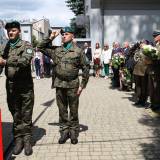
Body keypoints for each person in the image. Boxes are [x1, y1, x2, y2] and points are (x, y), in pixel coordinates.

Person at [38, 27, 90, 144]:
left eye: (66, 34)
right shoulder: (56, 50)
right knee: (62, 110)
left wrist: (82, 85)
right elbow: (41, 47)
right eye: (62, 34)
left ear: (72, 36)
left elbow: (86, 67)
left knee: (73, 110)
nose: (63, 36)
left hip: (73, 85)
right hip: (60, 84)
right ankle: (64, 131)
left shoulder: (78, 51)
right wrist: (51, 37)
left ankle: (73, 131)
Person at [0, 21, 34, 156]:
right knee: (15, 114)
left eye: (13, 30)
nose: (10, 32)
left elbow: (25, 61)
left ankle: (27, 141)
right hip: (11, 86)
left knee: (26, 114)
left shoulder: (27, 45)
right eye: (9, 31)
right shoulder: (4, 47)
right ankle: (18, 140)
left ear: (19, 31)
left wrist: (6, 61)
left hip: (25, 87)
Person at [133, 41, 149, 106]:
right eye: (140, 43)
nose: (141, 44)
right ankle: (139, 100)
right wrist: (136, 58)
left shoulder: (148, 51)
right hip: (137, 70)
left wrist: (141, 57)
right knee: (138, 86)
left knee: (144, 86)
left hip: (144, 71)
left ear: (145, 44)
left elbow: (148, 60)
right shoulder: (138, 50)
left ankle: (143, 101)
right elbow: (135, 58)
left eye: (142, 43)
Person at [147, 31, 160, 111]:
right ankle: (153, 103)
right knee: (152, 87)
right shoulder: (156, 44)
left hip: (158, 68)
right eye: (153, 36)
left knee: (157, 87)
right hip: (153, 68)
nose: (154, 38)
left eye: (156, 36)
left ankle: (157, 105)